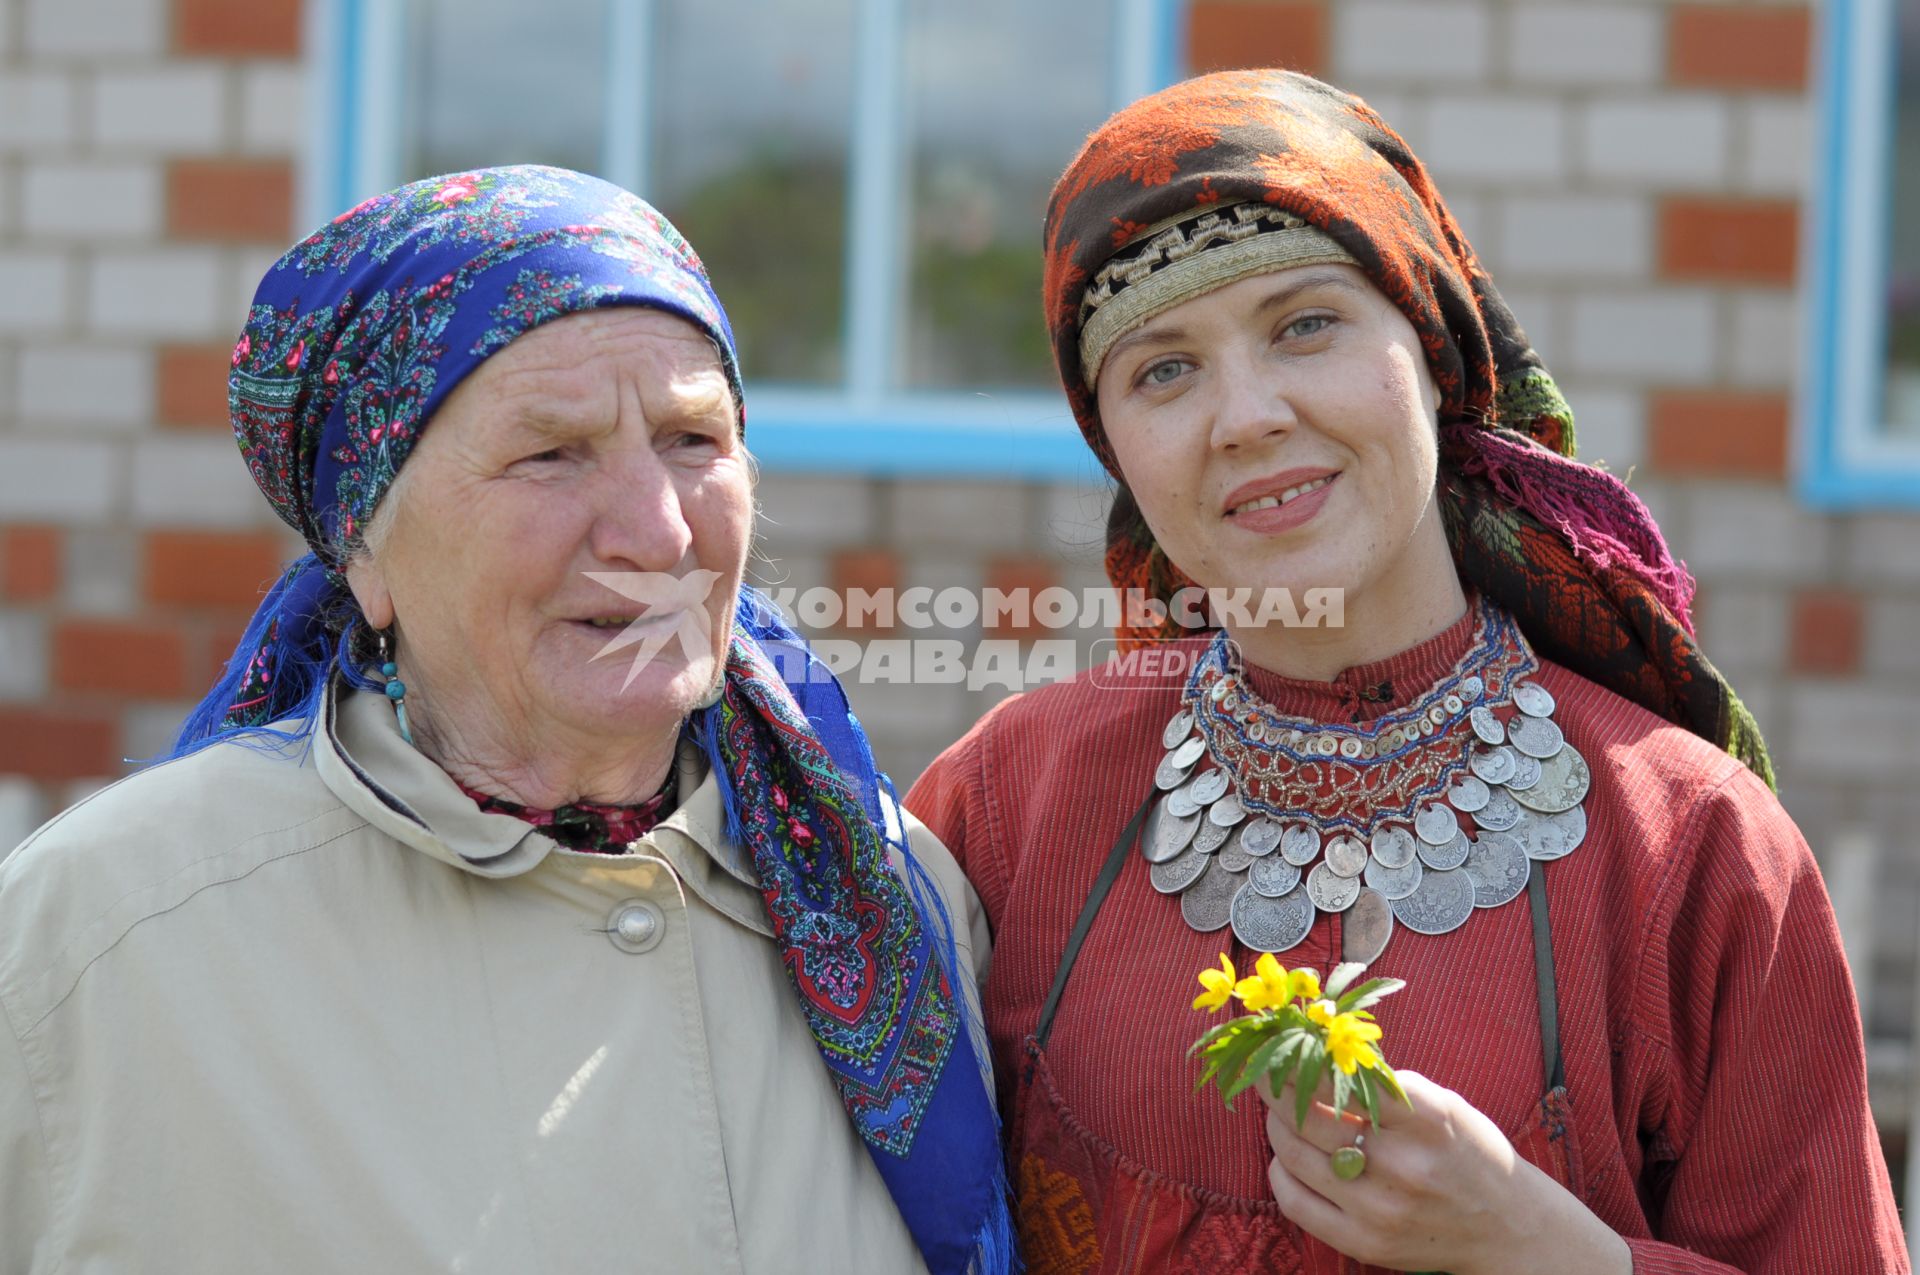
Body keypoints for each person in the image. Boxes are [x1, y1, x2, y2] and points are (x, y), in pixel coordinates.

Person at [908, 71, 1908, 1274]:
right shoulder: (1009, 805)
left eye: (1306, 325)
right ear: (1111, 443)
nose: (1248, 415)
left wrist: (1551, 1254)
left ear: (1433, 353)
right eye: (1162, 370)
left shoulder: (1694, 848)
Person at [0, 166, 1012, 1275]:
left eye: (693, 441)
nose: (659, 531)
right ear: (368, 555)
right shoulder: (98, 939)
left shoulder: (887, 891)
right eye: (551, 453)